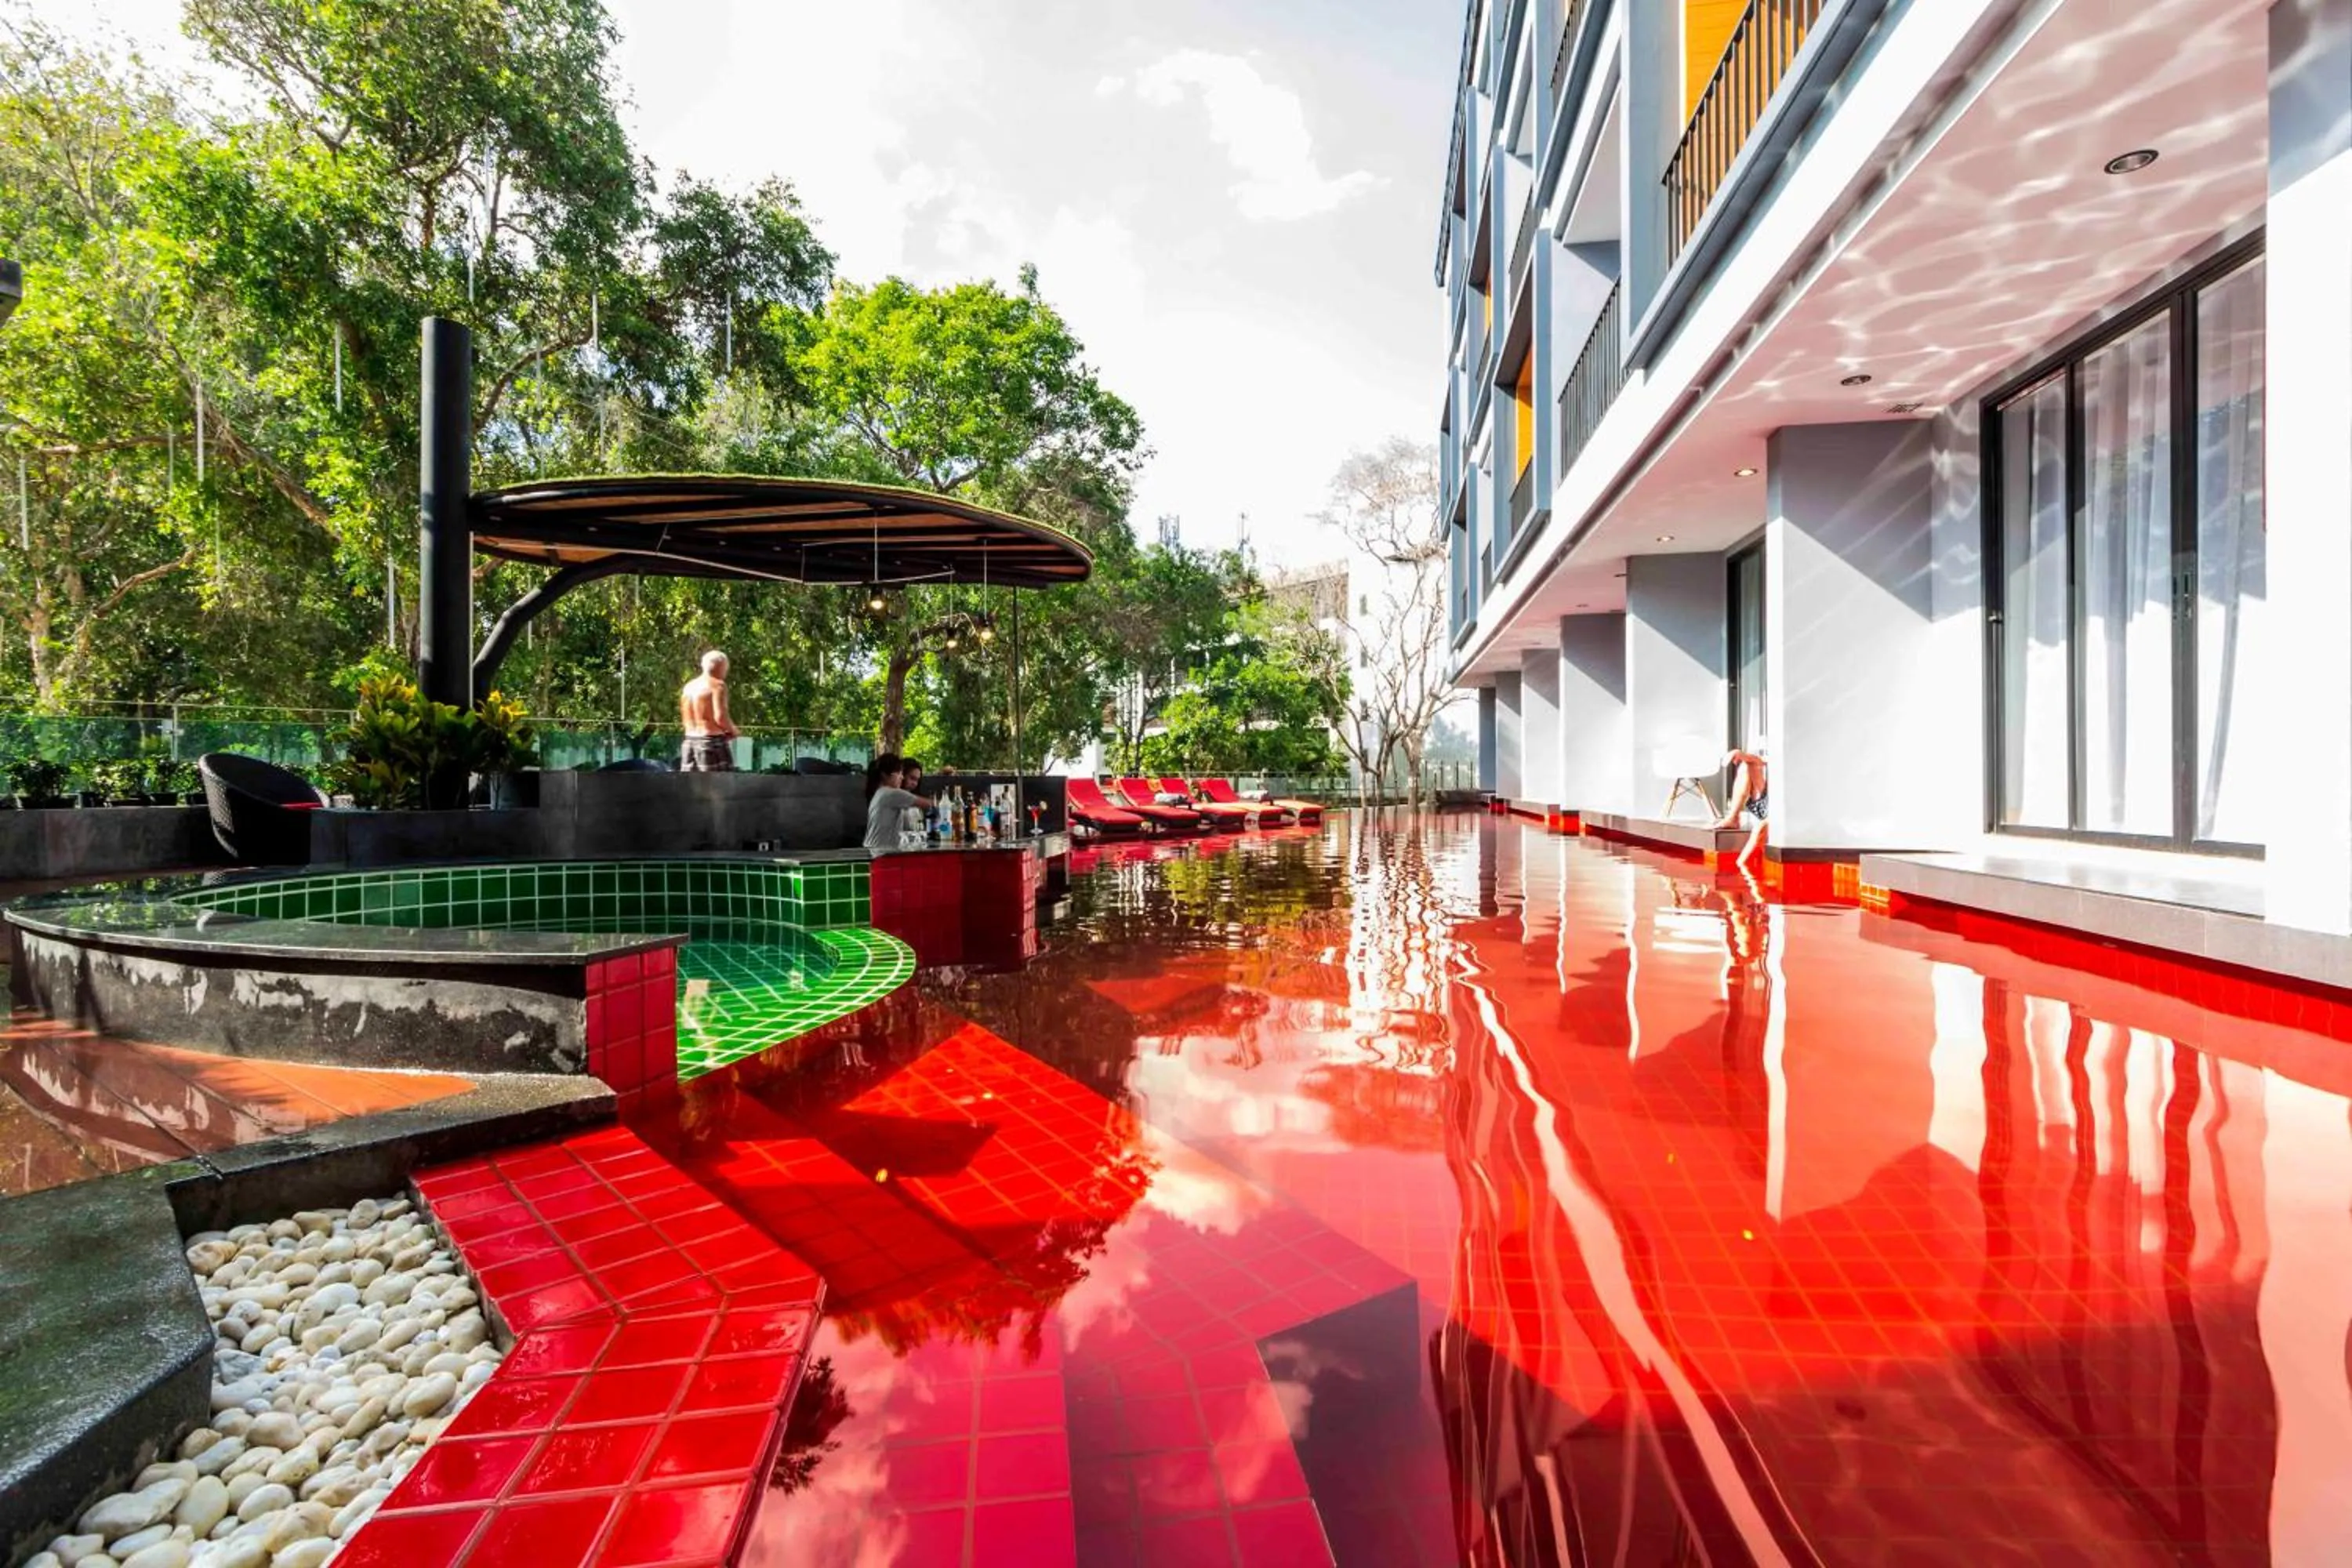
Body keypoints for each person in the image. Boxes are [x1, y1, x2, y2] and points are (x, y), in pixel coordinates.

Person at [678, 651, 739, 772]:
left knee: (690, 787)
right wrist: (734, 731)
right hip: (711, 743)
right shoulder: (718, 685)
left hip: (689, 742)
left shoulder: (689, 687)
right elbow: (720, 717)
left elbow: (684, 717)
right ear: (723, 667)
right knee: (719, 787)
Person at [863, 753, 934, 851]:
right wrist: (951, 804)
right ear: (885, 775)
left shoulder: (881, 793)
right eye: (899, 774)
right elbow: (930, 804)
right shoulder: (891, 794)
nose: (902, 777)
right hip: (881, 853)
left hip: (877, 850)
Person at [1715, 746, 1768, 867]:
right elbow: (1761, 761)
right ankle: (1733, 817)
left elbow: (1761, 761)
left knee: (1751, 763)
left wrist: (1741, 754)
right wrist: (1742, 755)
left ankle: (1742, 868)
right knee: (1746, 766)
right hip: (1765, 806)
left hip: (1774, 812)